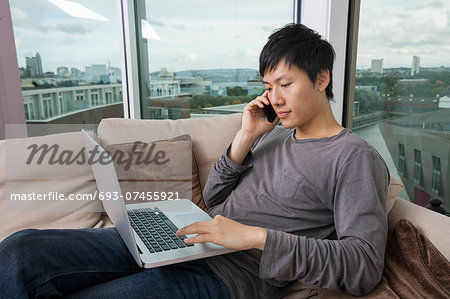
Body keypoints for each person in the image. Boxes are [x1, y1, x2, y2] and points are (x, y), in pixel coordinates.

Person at [0, 23, 389, 298]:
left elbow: (364, 266)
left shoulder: (353, 157)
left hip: (230, 274)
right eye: (269, 87)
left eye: (285, 84)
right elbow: (216, 201)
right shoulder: (275, 136)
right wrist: (245, 137)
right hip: (188, 239)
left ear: (321, 79)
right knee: (21, 250)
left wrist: (254, 237)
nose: (275, 98)